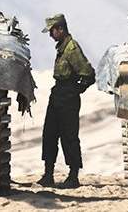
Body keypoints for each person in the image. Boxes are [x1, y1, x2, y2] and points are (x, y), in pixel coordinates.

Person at [37, 13, 95, 189]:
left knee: (69, 137)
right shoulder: (62, 47)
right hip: (58, 94)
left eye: (52, 31)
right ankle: (48, 175)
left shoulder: (71, 48)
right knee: (49, 135)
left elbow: (88, 74)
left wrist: (74, 91)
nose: (50, 35)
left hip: (67, 96)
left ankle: (73, 176)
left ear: (60, 29)